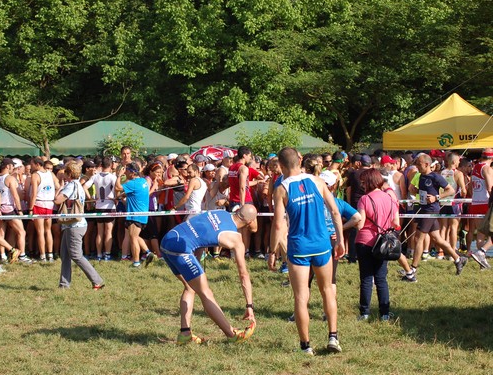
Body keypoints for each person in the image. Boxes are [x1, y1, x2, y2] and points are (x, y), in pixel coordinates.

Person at [269, 147, 344, 356]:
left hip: (299, 248)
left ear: (281, 166)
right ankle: (333, 336)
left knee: (301, 297)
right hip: (322, 245)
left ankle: (306, 346)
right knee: (327, 290)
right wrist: (340, 240)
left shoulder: (281, 189)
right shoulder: (318, 182)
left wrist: (272, 252)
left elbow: (277, 226)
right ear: (299, 160)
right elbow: (336, 211)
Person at [161, 205, 258, 344]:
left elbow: (200, 233)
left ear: (237, 211)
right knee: (206, 293)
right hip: (180, 248)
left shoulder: (220, 212)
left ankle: (185, 333)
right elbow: (244, 275)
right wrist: (249, 305)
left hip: (168, 240)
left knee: (190, 287)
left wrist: (196, 263)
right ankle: (232, 335)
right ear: (250, 221)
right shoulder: (236, 239)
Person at [409, 154, 468, 274]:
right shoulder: (420, 176)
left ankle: (412, 269)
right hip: (424, 208)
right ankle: (458, 259)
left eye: (419, 164)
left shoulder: (435, 177)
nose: (417, 167)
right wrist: (415, 190)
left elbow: (450, 190)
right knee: (437, 238)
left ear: (426, 164)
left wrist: (436, 197)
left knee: (418, 237)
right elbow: (416, 190)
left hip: (431, 210)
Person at [355, 169, 400, 321]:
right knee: (381, 278)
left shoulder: (364, 199)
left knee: (366, 278)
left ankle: (365, 312)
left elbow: (360, 224)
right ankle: (385, 314)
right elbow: (396, 223)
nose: (361, 185)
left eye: (363, 182)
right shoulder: (390, 198)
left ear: (368, 182)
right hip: (383, 243)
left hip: (365, 241)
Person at [54, 162, 104, 290]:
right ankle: (64, 284)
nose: (63, 174)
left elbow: (57, 200)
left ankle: (97, 280)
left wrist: (60, 187)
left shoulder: (70, 186)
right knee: (65, 255)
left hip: (74, 225)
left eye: (65, 172)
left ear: (69, 174)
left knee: (76, 255)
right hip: (71, 225)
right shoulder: (78, 185)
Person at [115, 162, 154, 268]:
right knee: (135, 236)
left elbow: (118, 188)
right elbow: (134, 194)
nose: (125, 173)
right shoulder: (143, 181)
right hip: (142, 214)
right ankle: (148, 252)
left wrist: (118, 175)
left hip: (135, 215)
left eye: (126, 171)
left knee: (133, 238)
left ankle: (136, 262)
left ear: (132, 173)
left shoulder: (133, 183)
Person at [29, 157, 59, 262]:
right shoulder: (51, 174)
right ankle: (50, 254)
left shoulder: (35, 175)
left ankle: (43, 255)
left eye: (32, 164)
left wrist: (30, 209)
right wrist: (55, 195)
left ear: (37, 164)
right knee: (48, 230)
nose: (31, 166)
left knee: (40, 231)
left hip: (39, 203)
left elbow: (33, 194)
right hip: (49, 204)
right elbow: (58, 185)